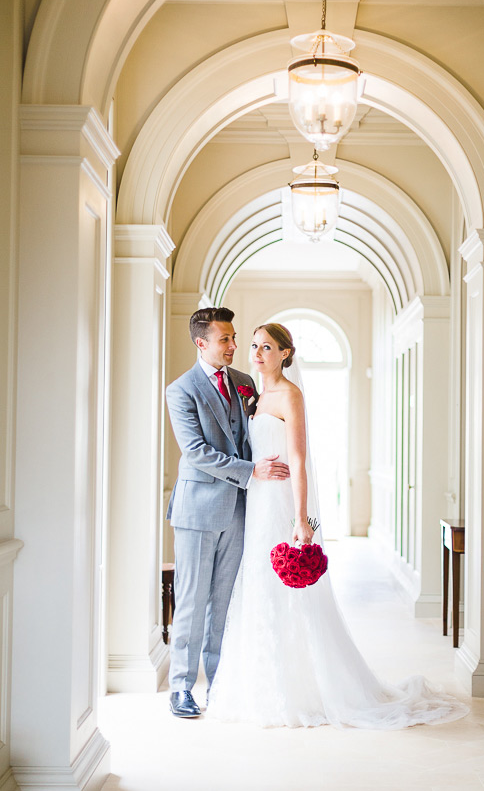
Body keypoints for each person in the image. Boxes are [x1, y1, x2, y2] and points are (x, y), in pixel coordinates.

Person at [208, 323, 468, 729]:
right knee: (259, 585)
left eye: (267, 347)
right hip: (257, 501)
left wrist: (300, 519)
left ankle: (307, 688)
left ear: (286, 354)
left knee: (289, 591)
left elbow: (297, 459)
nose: (256, 352)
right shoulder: (255, 398)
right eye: (254, 346)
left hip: (281, 503)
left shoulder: (290, 395)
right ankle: (263, 682)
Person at [165, 307, 290, 718]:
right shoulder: (181, 390)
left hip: (242, 511)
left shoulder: (244, 382)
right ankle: (181, 688)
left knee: (223, 603)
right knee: (190, 602)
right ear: (201, 343)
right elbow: (196, 452)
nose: (235, 346)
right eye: (225, 340)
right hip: (198, 511)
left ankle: (220, 684)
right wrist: (251, 471)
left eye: (235, 338)